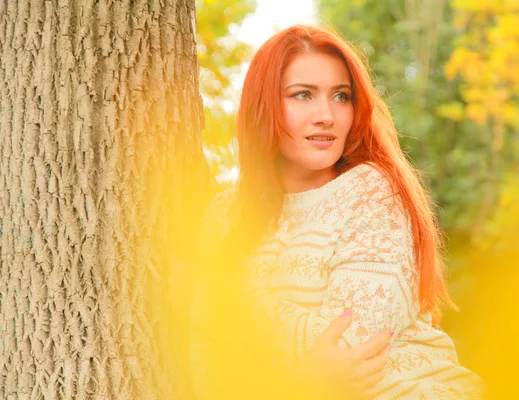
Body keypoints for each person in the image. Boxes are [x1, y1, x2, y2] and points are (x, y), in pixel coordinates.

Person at [190, 25, 484, 399]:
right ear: (263, 105)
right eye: (302, 95)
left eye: (341, 96)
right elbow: (207, 366)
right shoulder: (222, 217)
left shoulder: (371, 192)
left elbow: (351, 349)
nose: (326, 115)